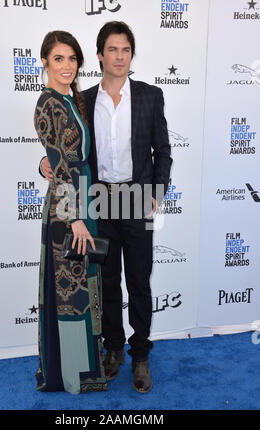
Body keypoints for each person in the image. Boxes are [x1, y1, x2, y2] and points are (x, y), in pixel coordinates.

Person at [40, 22, 172, 393]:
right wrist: (43, 163)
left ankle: (141, 354)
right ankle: (113, 348)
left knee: (139, 281)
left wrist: (156, 193)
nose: (119, 56)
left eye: (125, 50)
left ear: (131, 54)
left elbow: (163, 151)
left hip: (136, 199)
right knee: (108, 282)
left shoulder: (149, 95)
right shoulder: (84, 99)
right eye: (112, 50)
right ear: (99, 55)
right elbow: (71, 152)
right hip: (98, 202)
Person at [34, 30, 107, 395]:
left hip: (83, 201)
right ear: (44, 61)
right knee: (71, 293)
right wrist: (75, 217)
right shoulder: (48, 103)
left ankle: (82, 368)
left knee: (82, 286)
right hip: (69, 213)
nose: (67, 65)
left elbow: (62, 159)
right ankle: (73, 375)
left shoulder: (71, 100)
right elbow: (61, 166)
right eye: (58, 58)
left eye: (72, 59)